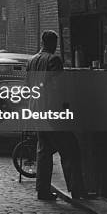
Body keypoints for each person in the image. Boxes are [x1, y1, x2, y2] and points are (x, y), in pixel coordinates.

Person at [26, 30, 88, 201]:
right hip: (52, 113)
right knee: (71, 150)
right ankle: (77, 190)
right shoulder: (53, 60)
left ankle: (42, 190)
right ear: (54, 43)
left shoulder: (31, 61)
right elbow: (58, 88)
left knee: (44, 152)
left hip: (37, 112)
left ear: (41, 42)